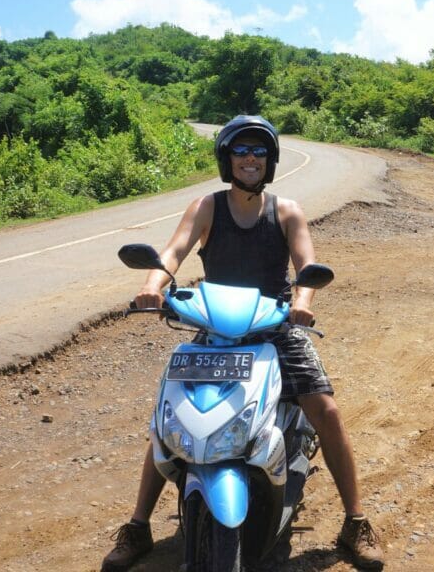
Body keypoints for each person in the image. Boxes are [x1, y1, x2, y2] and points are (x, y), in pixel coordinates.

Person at [101, 115, 383, 571]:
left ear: (269, 161)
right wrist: (155, 285)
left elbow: (306, 264)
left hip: (275, 326)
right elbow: (173, 252)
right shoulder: (207, 207)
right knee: (171, 421)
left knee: (325, 410)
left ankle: (356, 521)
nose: (249, 158)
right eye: (240, 150)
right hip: (215, 329)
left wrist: (303, 300)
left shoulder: (286, 210)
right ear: (226, 158)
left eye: (258, 151)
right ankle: (137, 526)